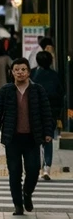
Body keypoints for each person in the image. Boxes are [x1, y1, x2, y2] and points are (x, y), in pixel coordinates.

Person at [0, 58, 53, 215]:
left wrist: (48, 133)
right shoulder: (6, 91)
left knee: (33, 170)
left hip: (32, 138)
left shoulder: (37, 90)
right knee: (14, 172)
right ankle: (18, 204)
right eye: (16, 70)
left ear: (29, 72)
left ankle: (27, 193)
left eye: (23, 69)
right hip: (12, 138)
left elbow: (46, 112)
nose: (20, 72)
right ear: (12, 72)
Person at [32, 50, 64, 181]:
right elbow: (61, 94)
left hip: (35, 112)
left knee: (34, 140)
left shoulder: (33, 74)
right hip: (50, 112)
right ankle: (47, 167)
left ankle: (37, 167)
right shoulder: (55, 75)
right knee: (48, 138)